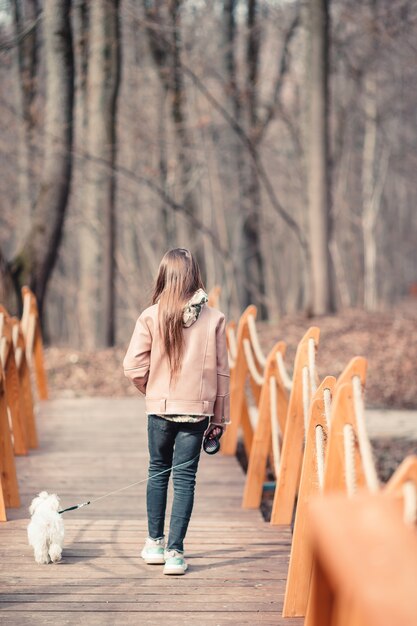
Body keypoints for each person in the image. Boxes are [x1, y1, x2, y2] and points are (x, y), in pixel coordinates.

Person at [123, 248, 230, 575]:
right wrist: (220, 417)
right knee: (184, 479)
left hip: (160, 410)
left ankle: (154, 543)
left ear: (164, 276)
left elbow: (132, 367)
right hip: (197, 413)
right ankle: (175, 554)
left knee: (158, 471)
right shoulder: (214, 318)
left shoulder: (151, 316)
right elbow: (223, 373)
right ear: (194, 275)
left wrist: (152, 390)